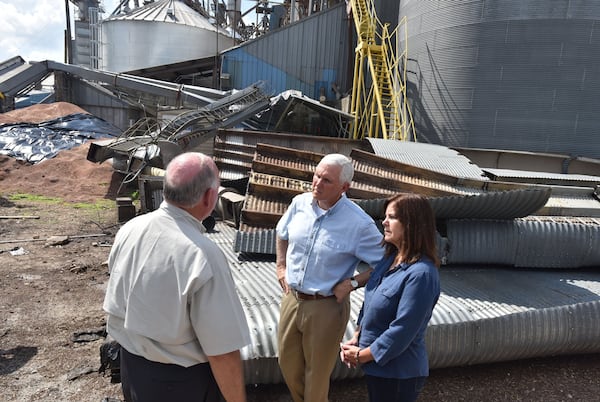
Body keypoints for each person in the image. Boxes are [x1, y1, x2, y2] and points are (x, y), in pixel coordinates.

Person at [103, 152, 251, 402]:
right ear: (209, 197)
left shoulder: (131, 229)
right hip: (180, 384)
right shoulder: (202, 255)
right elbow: (223, 352)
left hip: (132, 368)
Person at [275, 153, 385, 402]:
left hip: (325, 306)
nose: (317, 183)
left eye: (327, 180)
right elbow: (282, 233)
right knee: (287, 364)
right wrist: (281, 266)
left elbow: (387, 263)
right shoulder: (299, 204)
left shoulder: (359, 224)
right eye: (316, 175)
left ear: (344, 187)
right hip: (292, 299)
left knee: (317, 375)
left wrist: (353, 283)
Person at [340, 193, 441, 402]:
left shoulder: (421, 274)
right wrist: (357, 338)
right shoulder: (389, 260)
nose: (384, 222)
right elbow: (371, 302)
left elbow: (402, 330)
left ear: (412, 224)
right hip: (378, 368)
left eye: (392, 217)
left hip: (399, 373)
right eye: (385, 216)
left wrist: (362, 355)